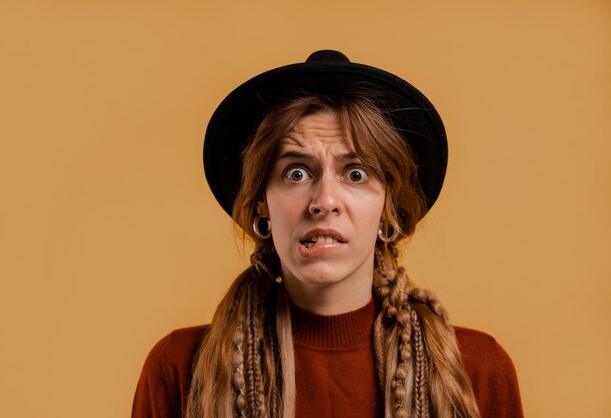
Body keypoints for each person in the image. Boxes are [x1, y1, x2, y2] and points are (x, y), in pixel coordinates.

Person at [132, 50, 523, 418]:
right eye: (296, 173)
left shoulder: (478, 371)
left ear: (389, 211)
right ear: (261, 205)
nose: (324, 201)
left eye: (355, 174)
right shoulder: (179, 369)